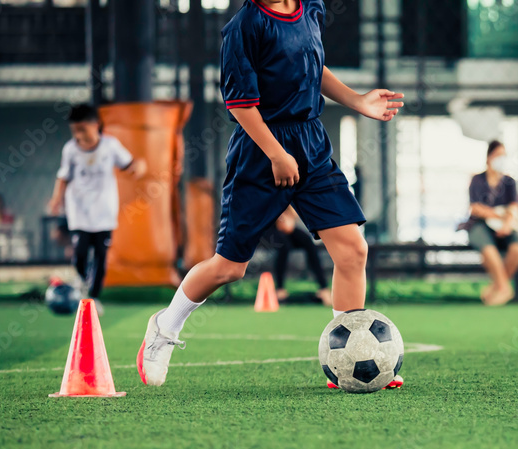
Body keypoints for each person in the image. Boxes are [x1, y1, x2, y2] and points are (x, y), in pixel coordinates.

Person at [137, 0, 403, 390]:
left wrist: (357, 100)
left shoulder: (310, 7)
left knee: (352, 250)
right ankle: (164, 327)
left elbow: (312, 67)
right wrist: (277, 154)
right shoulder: (244, 26)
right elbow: (240, 104)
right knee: (229, 267)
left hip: (311, 143)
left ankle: (347, 358)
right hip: (260, 151)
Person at [48, 104, 147, 315]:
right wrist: (57, 198)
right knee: (81, 252)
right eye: (75, 130)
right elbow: (63, 177)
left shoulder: (110, 146)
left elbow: (129, 164)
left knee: (101, 256)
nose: (78, 135)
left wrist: (138, 168)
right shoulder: (71, 150)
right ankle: (81, 288)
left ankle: (93, 296)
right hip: (79, 212)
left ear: (96, 125)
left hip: (104, 212)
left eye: (82, 129)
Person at [461, 140, 518, 306]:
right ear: (489, 158)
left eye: (503, 156)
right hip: (480, 224)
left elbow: (514, 206)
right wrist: (497, 215)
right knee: (489, 251)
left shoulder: (509, 182)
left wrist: (507, 223)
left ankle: (495, 287)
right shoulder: (477, 180)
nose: (501, 159)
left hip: (506, 225)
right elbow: (476, 208)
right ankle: (505, 288)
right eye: (498, 155)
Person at [272, 205, 333, 306]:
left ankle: (323, 289)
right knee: (284, 246)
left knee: (308, 242)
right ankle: (280, 289)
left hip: (286, 224)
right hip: (268, 226)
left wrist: (288, 216)